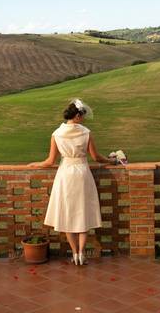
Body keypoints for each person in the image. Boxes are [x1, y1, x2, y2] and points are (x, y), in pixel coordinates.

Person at [29, 98, 113, 266]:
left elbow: (50, 161)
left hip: (65, 174)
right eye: (82, 115)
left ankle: (74, 253)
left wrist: (35, 164)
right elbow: (96, 157)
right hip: (82, 173)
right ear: (77, 116)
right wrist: (113, 161)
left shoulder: (56, 134)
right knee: (83, 211)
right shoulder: (86, 133)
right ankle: (82, 253)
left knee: (67, 213)